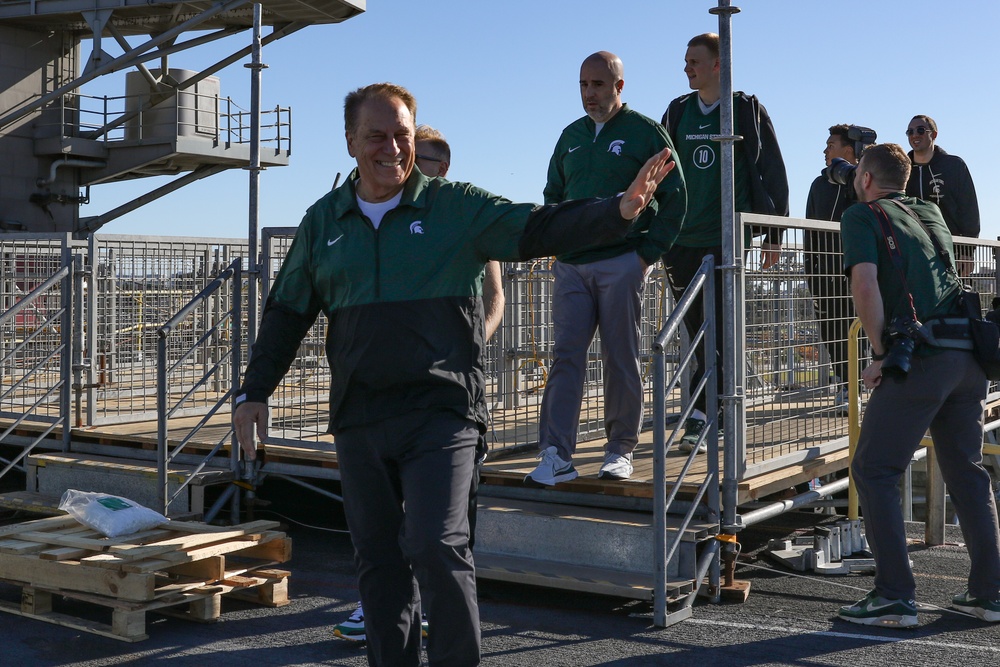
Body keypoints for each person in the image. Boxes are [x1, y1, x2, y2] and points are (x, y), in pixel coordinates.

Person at [233, 82, 675, 667]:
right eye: (376, 136)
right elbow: (288, 310)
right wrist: (254, 389)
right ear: (350, 143)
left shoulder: (455, 207)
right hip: (361, 416)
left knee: (436, 546)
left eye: (402, 135)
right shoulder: (324, 222)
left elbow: (537, 225)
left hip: (442, 413)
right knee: (379, 563)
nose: (391, 148)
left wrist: (615, 212)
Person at [333, 124, 506, 644]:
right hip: (380, 401)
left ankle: (441, 609)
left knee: (442, 528)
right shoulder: (362, 213)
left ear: (442, 165)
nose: (416, 165)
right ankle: (386, 605)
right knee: (386, 530)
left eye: (428, 158)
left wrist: (469, 342)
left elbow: (494, 296)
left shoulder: (458, 215)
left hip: (447, 390)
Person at [837, 142, 1000, 627]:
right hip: (967, 356)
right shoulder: (928, 210)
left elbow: (865, 283)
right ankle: (990, 593)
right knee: (967, 472)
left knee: (874, 469)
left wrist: (879, 353)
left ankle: (894, 594)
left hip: (922, 358)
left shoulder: (861, 215)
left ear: (866, 179)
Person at [526, 51, 686, 486]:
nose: (589, 94)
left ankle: (619, 450)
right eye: (583, 85)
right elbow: (552, 195)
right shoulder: (571, 136)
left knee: (621, 358)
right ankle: (556, 453)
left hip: (622, 262)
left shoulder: (645, 133)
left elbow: (676, 199)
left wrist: (646, 254)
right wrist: (557, 242)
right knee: (566, 358)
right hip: (573, 266)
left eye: (598, 84)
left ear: (619, 86)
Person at [660, 32, 789, 452]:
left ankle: (703, 416)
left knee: (715, 328)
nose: (687, 68)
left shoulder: (745, 110)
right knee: (697, 328)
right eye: (685, 61)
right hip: (682, 237)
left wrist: (773, 232)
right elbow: (659, 168)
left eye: (694, 61)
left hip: (726, 238)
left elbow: (771, 170)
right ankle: (708, 408)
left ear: (719, 63)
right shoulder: (678, 111)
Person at [804, 124, 866, 412]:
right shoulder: (819, 185)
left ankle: (858, 386)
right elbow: (809, 232)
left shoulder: (866, 182)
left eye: (831, 145)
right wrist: (811, 272)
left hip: (859, 271)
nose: (825, 151)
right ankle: (844, 384)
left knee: (860, 329)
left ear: (849, 151)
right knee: (832, 331)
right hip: (825, 273)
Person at [904, 115, 980, 276]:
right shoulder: (902, 168)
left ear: (934, 134)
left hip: (952, 251)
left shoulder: (954, 165)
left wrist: (968, 251)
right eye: (909, 132)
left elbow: (969, 209)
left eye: (920, 130)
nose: (914, 135)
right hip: (912, 251)